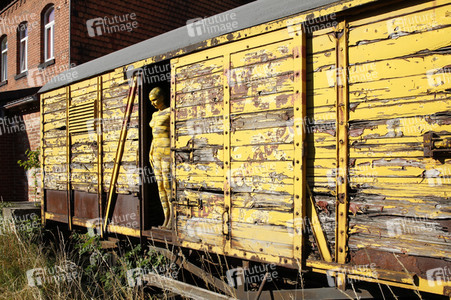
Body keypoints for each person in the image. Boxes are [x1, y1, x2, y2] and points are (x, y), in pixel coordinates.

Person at [148, 87, 172, 229]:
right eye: (151, 101)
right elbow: (154, 135)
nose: (153, 103)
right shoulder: (154, 115)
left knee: (168, 185)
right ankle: (166, 217)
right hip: (156, 152)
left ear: (162, 97)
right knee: (160, 185)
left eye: (155, 99)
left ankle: (172, 218)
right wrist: (151, 150)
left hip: (167, 151)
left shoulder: (170, 111)